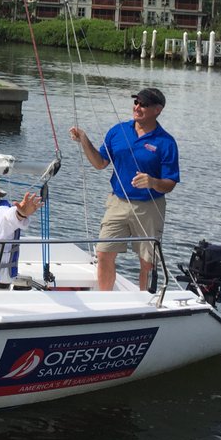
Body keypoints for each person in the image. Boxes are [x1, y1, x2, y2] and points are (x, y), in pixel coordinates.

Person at [69, 86, 180, 292]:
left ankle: (144, 303)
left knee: (147, 263)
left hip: (149, 207)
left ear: (157, 110)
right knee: (103, 254)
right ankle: (104, 301)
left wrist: (153, 182)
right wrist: (84, 141)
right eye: (136, 102)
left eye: (144, 104)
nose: (137, 107)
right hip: (117, 203)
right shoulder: (117, 131)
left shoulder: (166, 143)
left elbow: (170, 183)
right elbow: (100, 163)